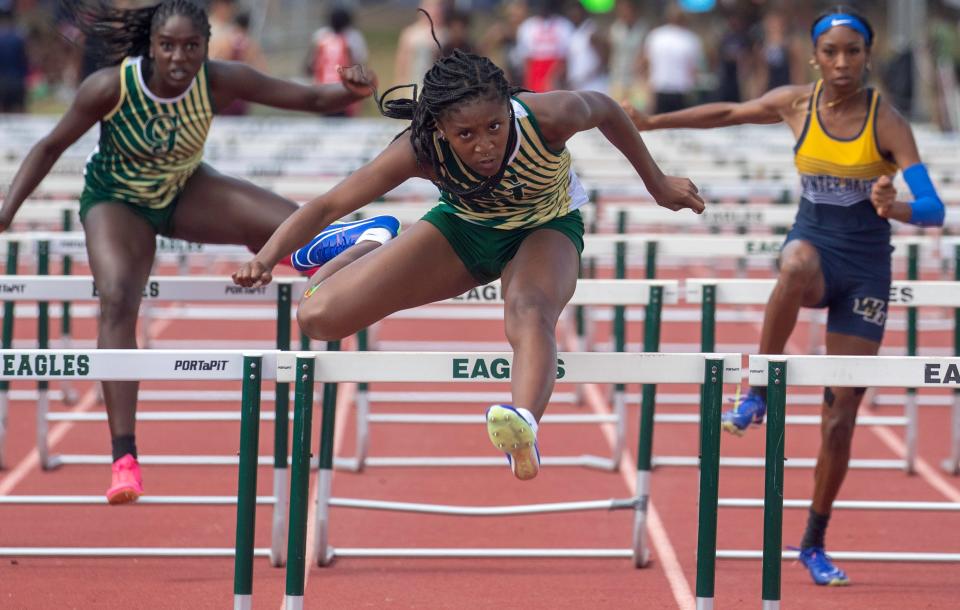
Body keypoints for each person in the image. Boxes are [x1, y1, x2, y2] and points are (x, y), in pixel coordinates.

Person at [233, 39, 705, 481]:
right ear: (440, 129)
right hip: (462, 230)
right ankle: (373, 241)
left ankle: (523, 425)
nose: (484, 146)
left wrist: (657, 183)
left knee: (529, 309)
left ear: (509, 112)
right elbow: (327, 205)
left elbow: (603, 107)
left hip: (545, 228)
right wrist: (267, 258)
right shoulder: (421, 150)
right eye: (465, 134)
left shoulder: (549, 116)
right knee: (318, 316)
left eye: (494, 127)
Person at [0, 0, 400, 505]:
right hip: (117, 201)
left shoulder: (217, 78)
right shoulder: (111, 86)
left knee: (288, 223)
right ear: (150, 45)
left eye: (191, 46)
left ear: (205, 48)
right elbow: (48, 147)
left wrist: (352, 87)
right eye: (167, 46)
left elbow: (311, 99)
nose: (179, 58)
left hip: (187, 189)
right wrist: (7, 210)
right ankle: (124, 457)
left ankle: (318, 253)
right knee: (119, 296)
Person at [622, 6, 946, 587]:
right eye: (831, 52)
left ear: (867, 55)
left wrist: (892, 205)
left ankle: (813, 542)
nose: (842, 63)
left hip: (866, 272)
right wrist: (652, 122)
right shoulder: (796, 103)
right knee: (793, 263)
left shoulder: (888, 121)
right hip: (815, 249)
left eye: (853, 52)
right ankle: (759, 389)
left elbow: (933, 208)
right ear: (815, 56)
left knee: (840, 420)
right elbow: (728, 111)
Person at [307, 5, 369, 117]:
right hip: (344, 90)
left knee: (326, 120)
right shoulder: (353, 37)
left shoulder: (321, 37)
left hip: (323, 90)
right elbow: (359, 64)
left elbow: (310, 64)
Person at [642, 3, 704, 112]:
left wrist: (647, 91)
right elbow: (694, 70)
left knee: (659, 126)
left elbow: (645, 64)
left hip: (659, 90)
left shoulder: (656, 36)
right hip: (681, 92)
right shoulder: (691, 39)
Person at [0, 7, 28, 112]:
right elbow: (24, 59)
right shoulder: (18, 37)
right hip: (16, 80)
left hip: (2, 81)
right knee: (19, 112)